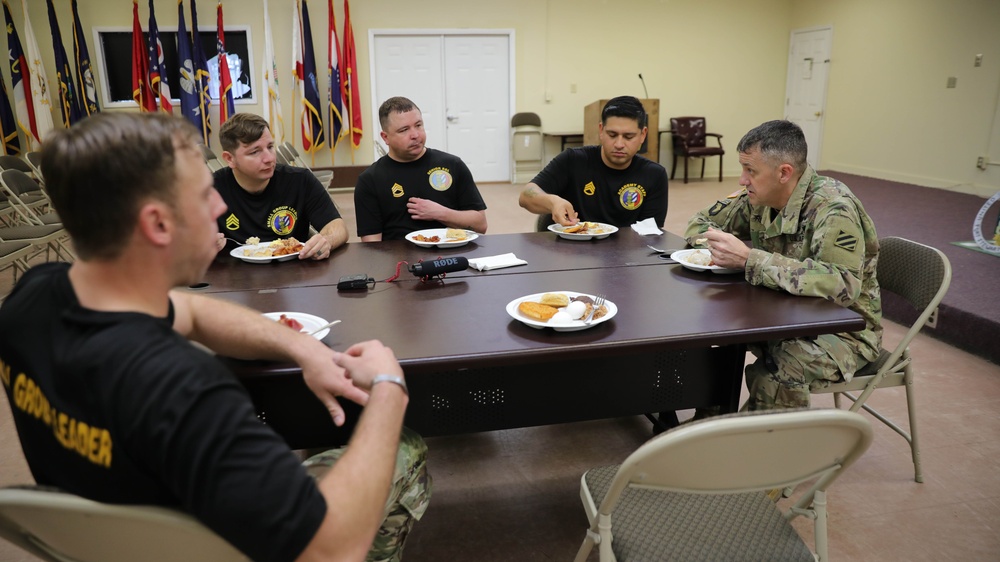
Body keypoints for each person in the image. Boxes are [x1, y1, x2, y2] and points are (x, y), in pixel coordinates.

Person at [0, 113, 430, 562]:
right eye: (203, 194)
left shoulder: (31, 300)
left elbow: (187, 308)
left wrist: (302, 346)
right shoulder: (188, 390)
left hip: (105, 541)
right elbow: (329, 549)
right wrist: (387, 391)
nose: (220, 208)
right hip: (219, 548)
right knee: (403, 447)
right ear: (158, 224)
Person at [685, 119, 882, 410]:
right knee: (712, 331)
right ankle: (711, 422)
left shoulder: (833, 207)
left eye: (750, 171)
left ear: (784, 173)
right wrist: (716, 248)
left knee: (782, 366)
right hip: (782, 314)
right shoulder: (761, 197)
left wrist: (750, 260)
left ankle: (764, 448)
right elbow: (698, 225)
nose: (742, 180)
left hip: (844, 331)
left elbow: (843, 285)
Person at [518, 95, 668, 228]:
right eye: (612, 134)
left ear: (643, 135)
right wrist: (553, 202)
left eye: (629, 137)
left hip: (623, 254)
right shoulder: (573, 160)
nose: (619, 144)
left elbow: (651, 234)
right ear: (601, 130)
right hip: (569, 251)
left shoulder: (654, 175)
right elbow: (525, 196)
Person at [214, 112, 347, 260]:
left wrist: (326, 241)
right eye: (255, 152)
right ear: (229, 159)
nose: (269, 158)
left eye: (270, 147)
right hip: (234, 276)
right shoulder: (209, 190)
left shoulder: (299, 180)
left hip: (296, 274)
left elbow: (338, 227)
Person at [355, 96, 488, 241]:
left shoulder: (453, 165)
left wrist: (440, 213)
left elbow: (481, 225)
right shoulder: (370, 180)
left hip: (451, 256)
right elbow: (371, 247)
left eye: (418, 125)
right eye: (404, 130)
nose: (415, 135)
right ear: (385, 137)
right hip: (399, 261)